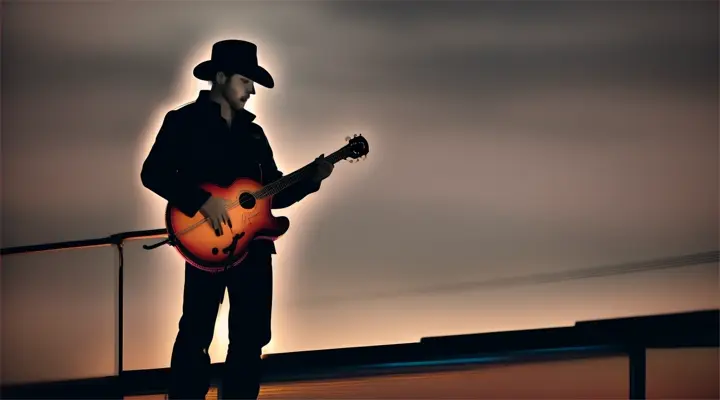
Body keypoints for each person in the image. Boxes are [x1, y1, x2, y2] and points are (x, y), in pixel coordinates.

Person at [140, 39, 333, 400]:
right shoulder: (182, 122)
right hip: (206, 247)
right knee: (195, 333)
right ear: (221, 76)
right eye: (246, 80)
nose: (252, 90)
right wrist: (201, 201)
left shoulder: (254, 134)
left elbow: (272, 194)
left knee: (250, 339)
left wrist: (311, 181)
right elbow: (153, 173)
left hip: (255, 252)